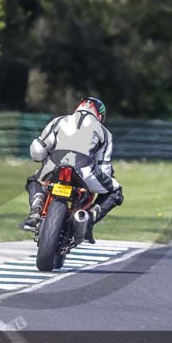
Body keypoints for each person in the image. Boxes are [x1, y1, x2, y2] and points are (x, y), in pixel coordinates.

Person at [21, 97, 124, 243]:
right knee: (115, 191)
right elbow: (104, 168)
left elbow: (37, 150)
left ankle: (36, 210)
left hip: (53, 166)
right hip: (85, 171)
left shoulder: (58, 121)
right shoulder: (104, 133)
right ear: (100, 115)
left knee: (34, 180)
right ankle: (89, 219)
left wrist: (43, 158)